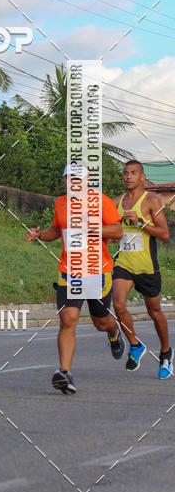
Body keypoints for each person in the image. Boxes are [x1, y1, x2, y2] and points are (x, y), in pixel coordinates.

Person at [25, 164, 124, 394]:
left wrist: (93, 227)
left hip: (98, 272)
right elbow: (56, 230)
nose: (74, 183)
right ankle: (65, 373)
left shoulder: (101, 202)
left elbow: (118, 231)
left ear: (87, 180)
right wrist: (40, 235)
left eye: (78, 179)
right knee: (68, 320)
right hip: (70, 272)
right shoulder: (61, 203)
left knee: (101, 322)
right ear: (65, 181)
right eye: (70, 179)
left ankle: (114, 332)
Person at [112, 160, 172, 378]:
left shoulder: (152, 201)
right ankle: (135, 345)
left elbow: (164, 234)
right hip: (124, 263)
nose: (128, 176)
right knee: (118, 305)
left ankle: (166, 353)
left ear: (142, 177)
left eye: (133, 173)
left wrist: (139, 223)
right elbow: (111, 230)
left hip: (147, 266)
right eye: (125, 173)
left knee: (155, 312)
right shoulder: (116, 202)